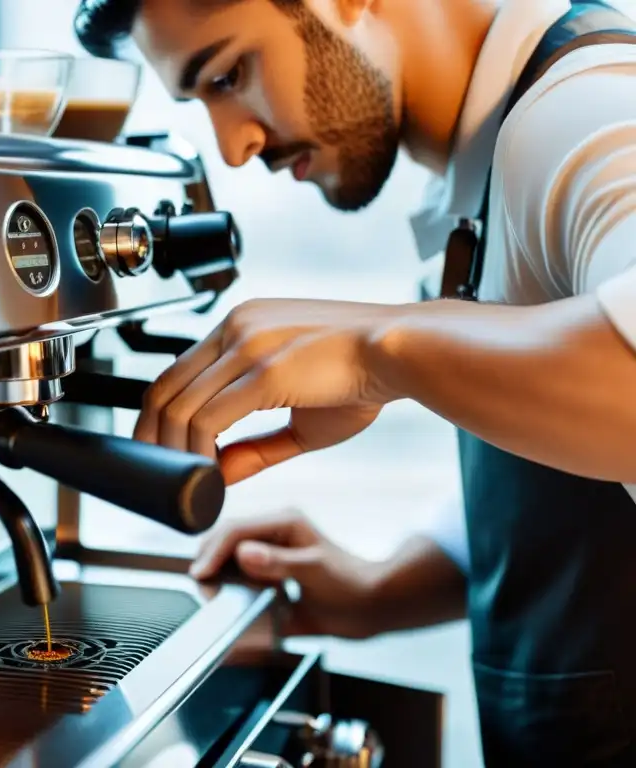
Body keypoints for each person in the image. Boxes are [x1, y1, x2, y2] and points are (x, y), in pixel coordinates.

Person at [73, 0, 636, 764]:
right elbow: (577, 494)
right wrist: (383, 588)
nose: (233, 148)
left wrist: (375, 351)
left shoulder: (586, 109)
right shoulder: (482, 171)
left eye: (229, 72)